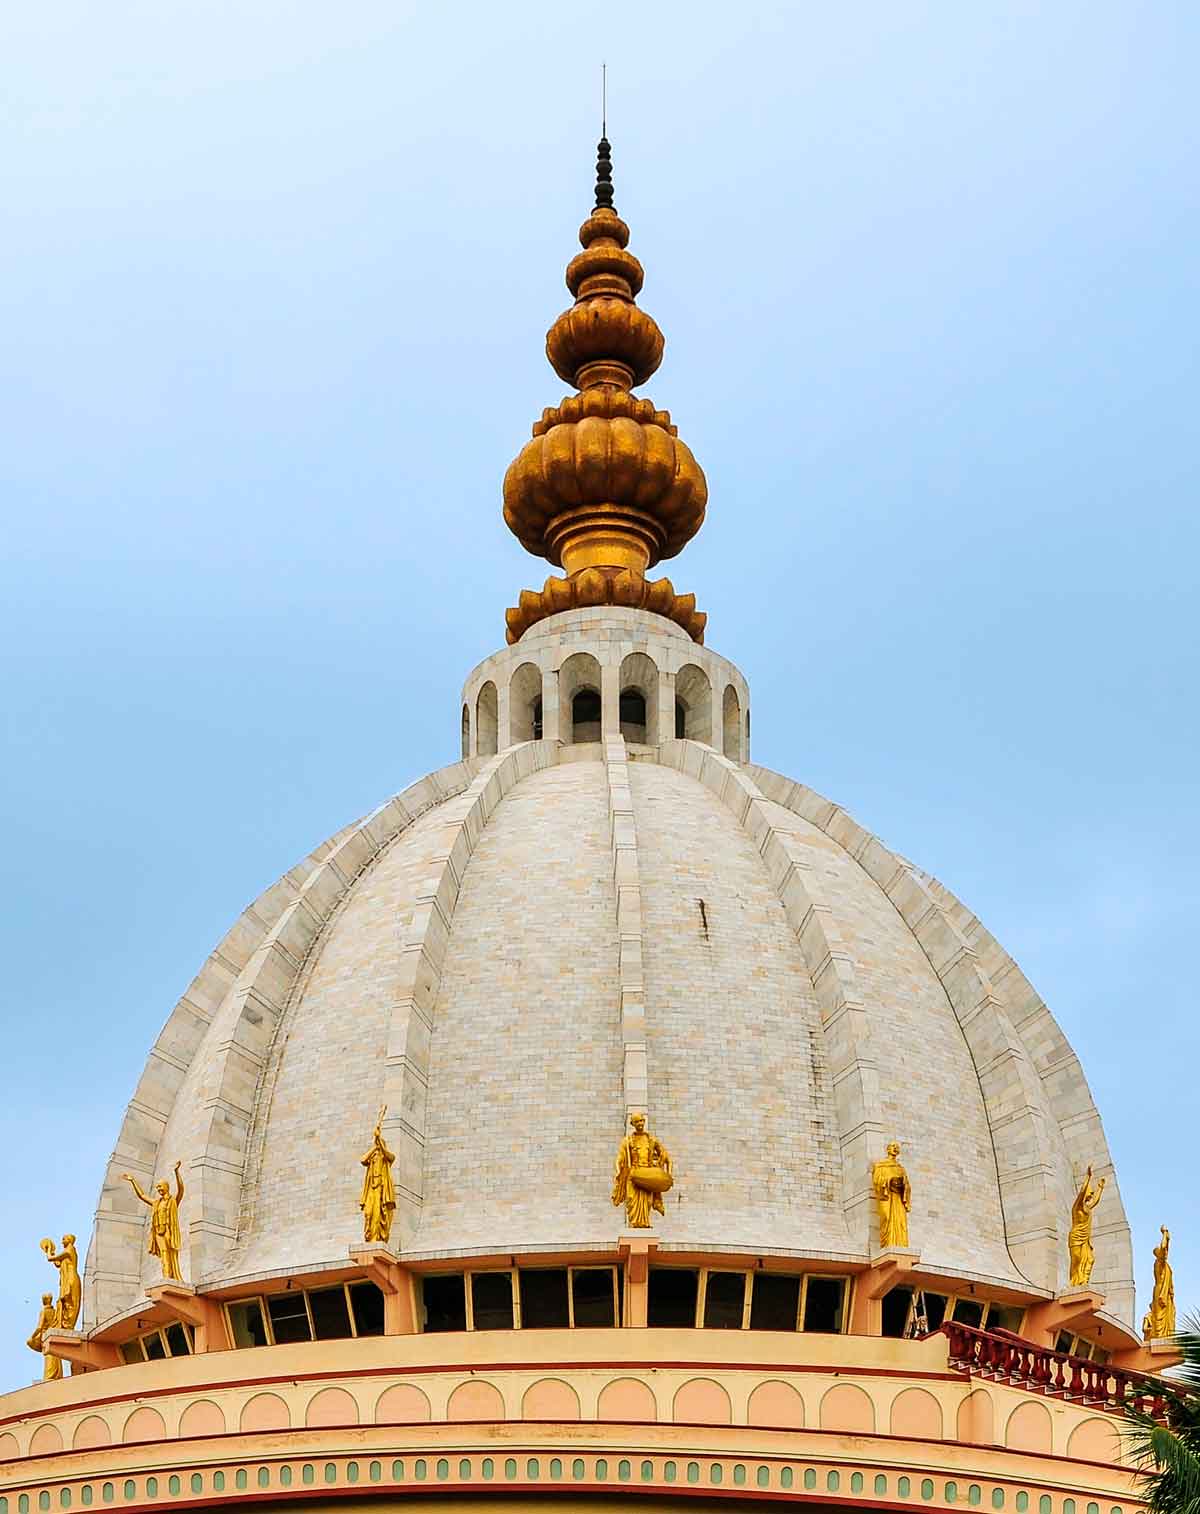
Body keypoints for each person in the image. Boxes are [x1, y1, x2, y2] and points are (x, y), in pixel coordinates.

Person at [121, 1161, 185, 1281]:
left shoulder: (173, 1201)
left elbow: (181, 1190)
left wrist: (177, 1172)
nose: (158, 1189)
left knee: (171, 1255)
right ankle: (166, 1277)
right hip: (159, 1232)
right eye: (157, 1187)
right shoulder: (156, 1203)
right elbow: (142, 1196)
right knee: (164, 1255)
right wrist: (132, 1180)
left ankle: (173, 1277)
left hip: (168, 1232)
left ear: (166, 1187)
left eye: (160, 1186)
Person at [611, 1112, 672, 1229]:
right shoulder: (627, 1141)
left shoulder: (651, 1140)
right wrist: (618, 1171)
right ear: (633, 1124)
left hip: (647, 1176)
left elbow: (665, 1156)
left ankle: (644, 1224)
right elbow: (620, 1158)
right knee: (631, 1200)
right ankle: (635, 1224)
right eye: (637, 1121)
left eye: (642, 1121)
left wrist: (667, 1174)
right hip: (633, 1176)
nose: (640, 1123)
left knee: (647, 1202)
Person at [359, 1113, 397, 1244]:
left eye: (380, 1147)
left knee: (377, 1215)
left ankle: (377, 1238)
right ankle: (370, 1237)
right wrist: (374, 1147)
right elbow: (363, 1160)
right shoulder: (373, 1157)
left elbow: (390, 1156)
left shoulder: (386, 1158)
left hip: (381, 1189)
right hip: (372, 1189)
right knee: (368, 1213)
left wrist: (379, 1140)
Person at [1067, 1165, 1106, 1287]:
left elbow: (1095, 1201)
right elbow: (1081, 1192)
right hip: (1075, 1237)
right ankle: (1074, 1281)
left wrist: (1100, 1188)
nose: (1090, 1196)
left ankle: (1084, 1280)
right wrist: (1088, 1178)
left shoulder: (1088, 1208)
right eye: (1089, 1194)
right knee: (1076, 1259)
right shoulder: (1077, 1207)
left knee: (1090, 1259)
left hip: (1085, 1239)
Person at [871, 1141, 912, 1248]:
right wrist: (889, 1181)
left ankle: (900, 1243)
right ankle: (887, 1243)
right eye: (893, 1146)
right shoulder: (880, 1166)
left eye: (897, 1147)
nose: (895, 1148)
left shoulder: (901, 1168)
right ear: (888, 1149)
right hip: (886, 1196)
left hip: (898, 1197)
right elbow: (876, 1180)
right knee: (886, 1217)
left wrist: (903, 1184)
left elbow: (907, 1185)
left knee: (900, 1221)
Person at [1142, 1225, 1176, 1340]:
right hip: (1160, 1291)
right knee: (1159, 1318)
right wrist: (1164, 1234)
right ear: (1157, 1254)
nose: (1164, 1253)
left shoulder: (1166, 1265)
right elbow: (1163, 1248)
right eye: (1161, 1252)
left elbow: (1165, 1249)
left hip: (1166, 1293)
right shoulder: (1159, 1263)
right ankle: (1160, 1338)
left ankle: (1166, 1337)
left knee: (1167, 1318)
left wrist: (1168, 1239)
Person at [42, 1234, 81, 1330]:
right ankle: (64, 1324)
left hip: (71, 1279)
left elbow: (50, 1259)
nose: (62, 1241)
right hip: (67, 1279)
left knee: (69, 1301)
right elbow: (57, 1263)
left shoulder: (69, 1250)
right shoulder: (66, 1253)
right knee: (65, 1302)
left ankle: (68, 1324)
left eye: (63, 1239)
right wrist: (51, 1251)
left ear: (69, 1240)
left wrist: (48, 1250)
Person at [27, 1293, 63, 1381]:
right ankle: (56, 1375)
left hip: (46, 1336)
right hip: (54, 1337)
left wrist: (32, 1337)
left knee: (49, 1355)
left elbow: (39, 1327)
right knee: (55, 1355)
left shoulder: (44, 1312)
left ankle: (49, 1376)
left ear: (44, 1301)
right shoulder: (55, 1312)